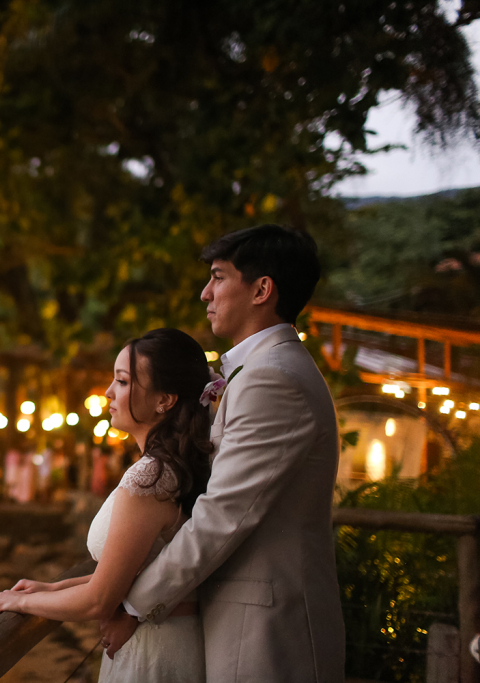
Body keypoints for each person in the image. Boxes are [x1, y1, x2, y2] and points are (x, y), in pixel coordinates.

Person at [100, 224, 345, 682]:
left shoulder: (273, 378)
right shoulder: (262, 370)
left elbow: (224, 514)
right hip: (241, 615)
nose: (204, 293)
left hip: (264, 627)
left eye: (217, 276)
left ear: (261, 290)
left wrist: (133, 605)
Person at [0, 327, 215, 682]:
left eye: (123, 382)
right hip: (162, 638)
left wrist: (18, 603)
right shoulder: (166, 469)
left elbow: (99, 601)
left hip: (153, 652)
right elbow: (125, 572)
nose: (108, 392)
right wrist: (52, 588)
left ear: (164, 399)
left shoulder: (150, 478)